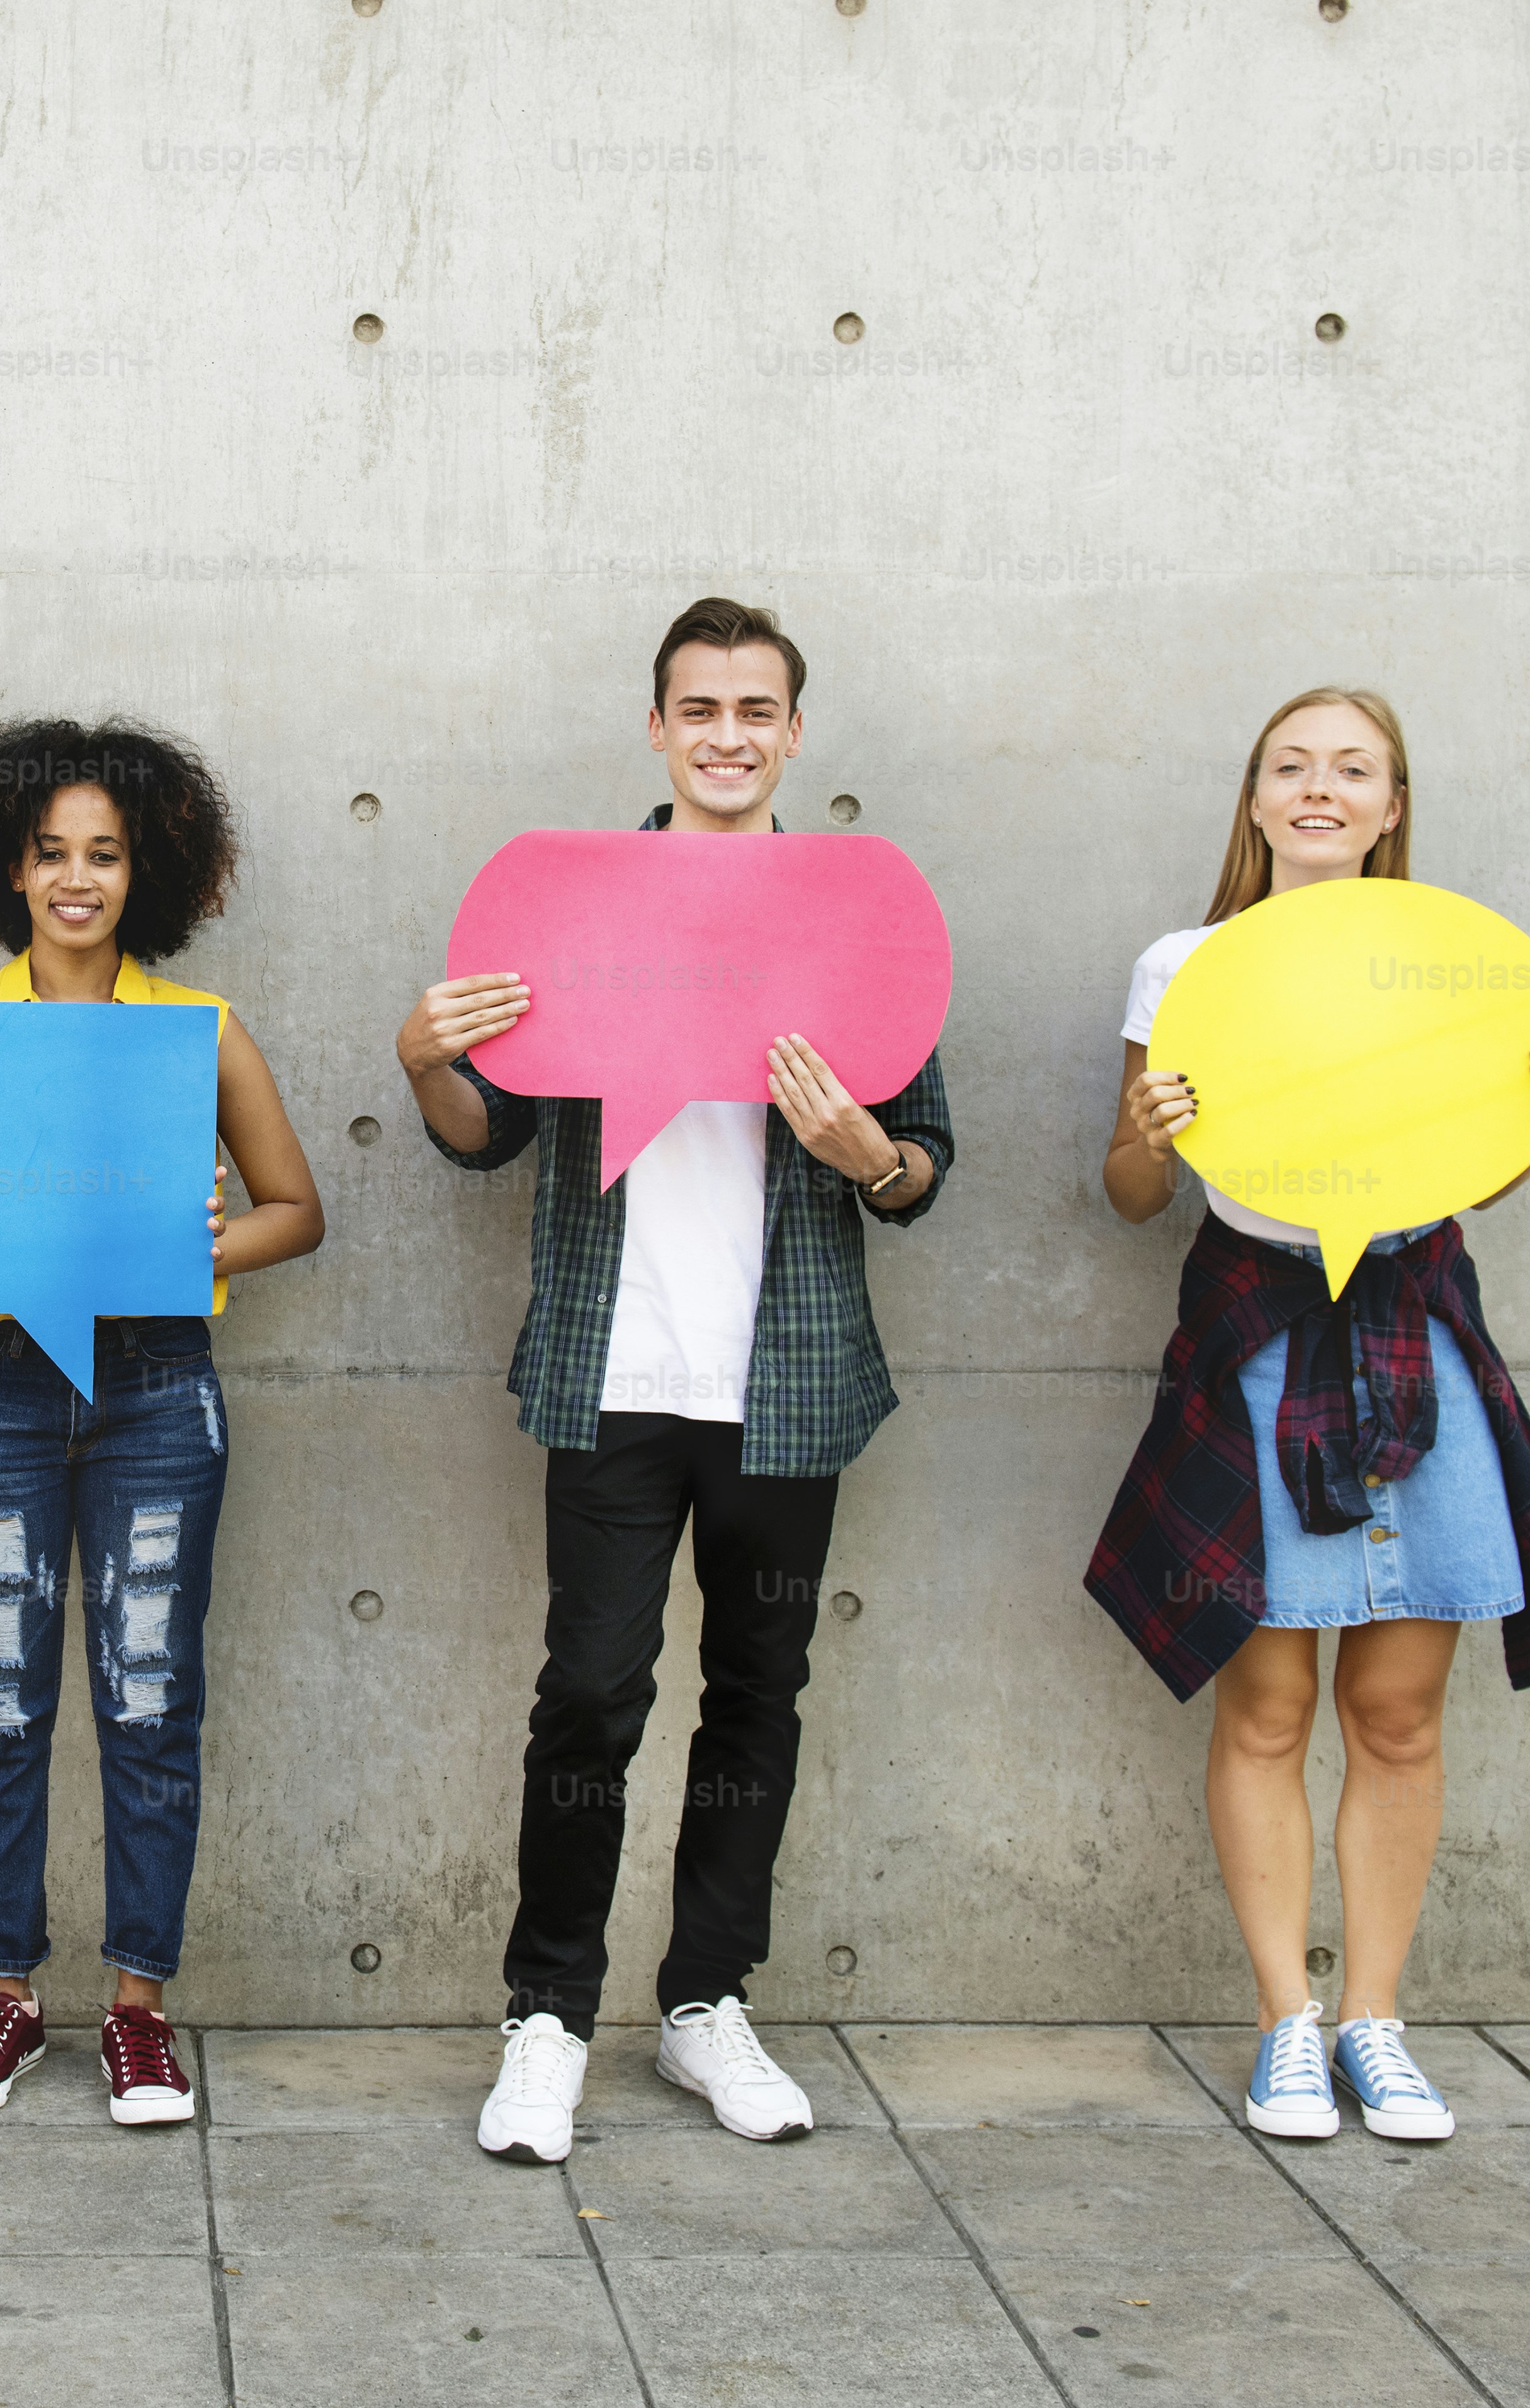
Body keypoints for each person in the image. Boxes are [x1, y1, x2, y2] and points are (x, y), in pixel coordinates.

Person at [398, 596, 954, 2166]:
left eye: (754, 709)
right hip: (613, 1372)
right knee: (589, 1694)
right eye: (697, 707)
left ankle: (707, 1999)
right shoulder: (569, 903)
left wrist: (873, 1155)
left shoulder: (856, 910)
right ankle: (548, 2019)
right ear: (656, 727)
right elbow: (486, 1135)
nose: (725, 734)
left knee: (755, 1698)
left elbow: (926, 1164)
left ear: (792, 731)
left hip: (786, 1386)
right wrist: (424, 1056)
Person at [1088, 686, 1530, 2144]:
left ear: (1390, 808)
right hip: (1251, 1333)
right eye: (1289, 766)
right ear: (1254, 801)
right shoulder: (1183, 965)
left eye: (1351, 769)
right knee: (1264, 1704)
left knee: (1397, 1708)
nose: (1319, 787)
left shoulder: (1457, 972)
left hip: (1411, 1335)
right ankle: (1282, 2026)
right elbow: (1133, 1193)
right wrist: (1140, 1133)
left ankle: (1376, 2017)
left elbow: (1455, 1175)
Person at [0, 718, 323, 2126]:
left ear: (144, 872)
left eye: (104, 855)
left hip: (156, 1388)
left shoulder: (197, 1032)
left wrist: (203, 1247)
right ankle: (0, 1996)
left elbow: (297, 1208)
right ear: (7, 863)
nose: (76, 878)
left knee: (150, 1697)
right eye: (51, 852)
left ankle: (138, 2011)